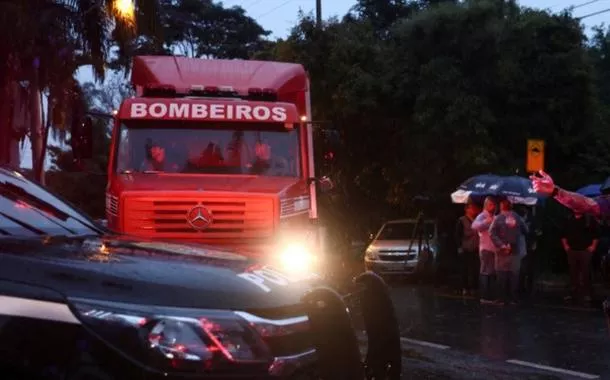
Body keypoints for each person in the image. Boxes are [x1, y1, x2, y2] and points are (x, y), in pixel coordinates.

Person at [489, 198, 529, 305]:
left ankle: (501, 298)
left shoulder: (497, 218)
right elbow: (526, 230)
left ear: (502, 206)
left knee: (501, 274)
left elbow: (491, 233)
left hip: (502, 250)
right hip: (515, 249)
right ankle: (513, 298)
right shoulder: (518, 217)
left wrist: (502, 245)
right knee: (514, 275)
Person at [561, 211, 599, 304]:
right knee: (573, 272)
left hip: (585, 249)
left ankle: (587, 294)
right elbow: (563, 234)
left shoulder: (589, 220)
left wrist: (593, 246)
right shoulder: (568, 219)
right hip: (572, 249)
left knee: (586, 271)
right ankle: (572, 293)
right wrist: (565, 245)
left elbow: (596, 234)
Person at [472, 196, 498, 304]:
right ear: (486, 205)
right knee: (485, 272)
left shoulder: (494, 216)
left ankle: (490, 295)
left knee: (491, 272)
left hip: (493, 249)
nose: (493, 207)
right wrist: (486, 222)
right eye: (491, 205)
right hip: (486, 248)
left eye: (494, 205)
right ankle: (484, 296)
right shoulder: (482, 216)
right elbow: (474, 226)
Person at [455, 202, 481, 296]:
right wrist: (459, 247)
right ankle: (465, 287)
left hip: (476, 247)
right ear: (467, 209)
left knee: (475, 268)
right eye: (471, 208)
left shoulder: (477, 219)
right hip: (466, 247)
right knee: (465, 269)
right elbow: (458, 235)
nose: (473, 210)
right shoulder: (462, 220)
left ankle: (474, 287)